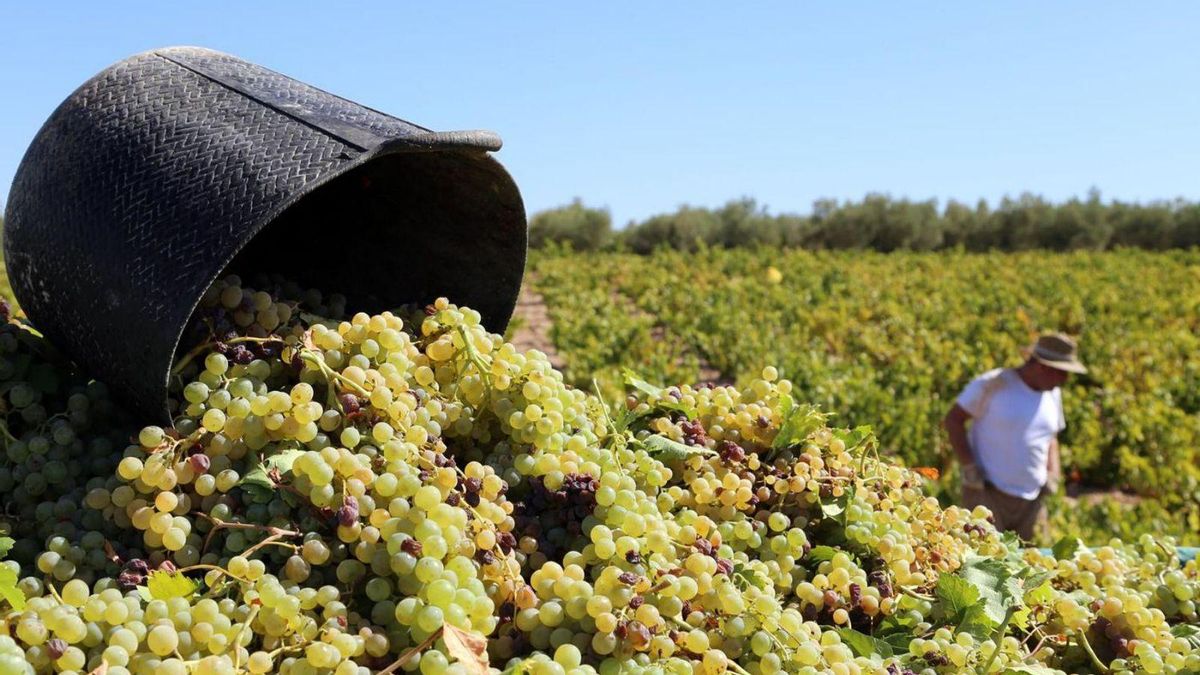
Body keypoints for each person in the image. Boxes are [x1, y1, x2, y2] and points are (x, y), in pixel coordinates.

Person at [942, 333, 1086, 541]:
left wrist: (1053, 471)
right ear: (1042, 366)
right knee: (985, 562)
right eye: (1062, 373)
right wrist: (969, 466)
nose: (1065, 380)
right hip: (987, 494)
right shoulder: (994, 384)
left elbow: (1051, 435)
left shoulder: (1052, 393)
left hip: (1033, 502)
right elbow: (953, 420)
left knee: (1031, 567)